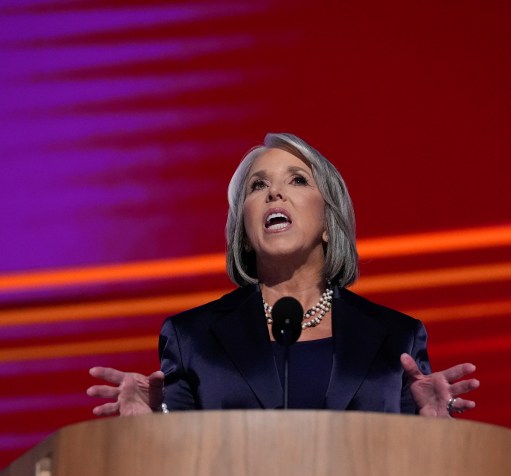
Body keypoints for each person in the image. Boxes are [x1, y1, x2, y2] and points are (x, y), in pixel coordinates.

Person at [87, 133, 478, 417]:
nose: (275, 194)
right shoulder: (194, 338)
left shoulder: (396, 338)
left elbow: (418, 474)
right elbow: (178, 467)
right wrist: (149, 423)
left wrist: (431, 428)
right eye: (258, 186)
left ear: (328, 223)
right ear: (244, 232)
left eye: (297, 180)